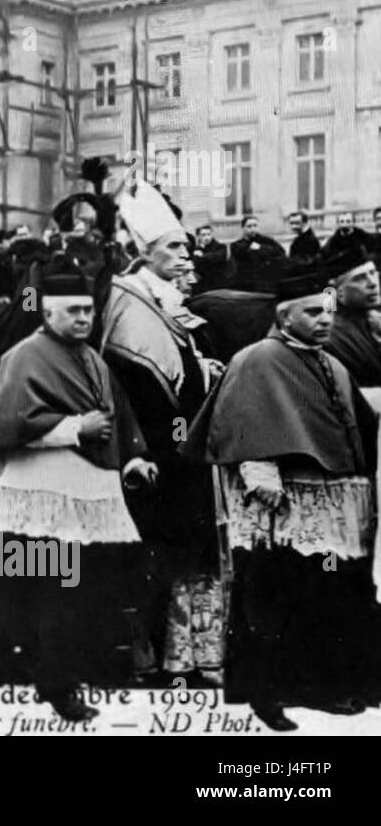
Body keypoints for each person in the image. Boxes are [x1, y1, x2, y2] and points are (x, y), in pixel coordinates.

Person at [0, 257, 156, 720]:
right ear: (48, 313)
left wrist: (134, 457)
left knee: (77, 588)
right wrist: (73, 428)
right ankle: (54, 684)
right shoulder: (25, 355)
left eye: (88, 311)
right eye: (73, 311)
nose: (84, 319)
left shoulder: (92, 357)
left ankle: (64, 675)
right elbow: (6, 422)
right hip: (44, 486)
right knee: (53, 590)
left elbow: (118, 415)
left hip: (88, 484)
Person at [184, 260, 380, 731]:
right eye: (312, 312)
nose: (325, 319)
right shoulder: (256, 359)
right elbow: (237, 421)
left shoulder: (331, 362)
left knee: (326, 593)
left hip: (331, 502)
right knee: (271, 598)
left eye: (328, 311)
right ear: (284, 315)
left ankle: (326, 685)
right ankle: (265, 695)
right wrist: (258, 467)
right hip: (281, 506)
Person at [102, 184, 226, 684]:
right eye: (174, 246)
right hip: (154, 447)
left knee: (184, 548)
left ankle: (184, 655)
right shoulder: (129, 300)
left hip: (182, 444)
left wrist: (203, 370)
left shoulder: (166, 298)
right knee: (158, 550)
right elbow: (137, 377)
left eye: (186, 246)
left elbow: (182, 362)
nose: (185, 254)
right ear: (145, 252)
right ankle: (150, 655)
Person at [324, 244, 381, 387]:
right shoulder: (334, 333)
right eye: (360, 278)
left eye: (373, 273)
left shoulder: (371, 315)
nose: (373, 283)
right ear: (339, 291)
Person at [229, 215, 285, 291]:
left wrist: (260, 248)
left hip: (265, 280)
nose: (253, 229)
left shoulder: (267, 241)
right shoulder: (236, 245)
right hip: (246, 281)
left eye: (255, 226)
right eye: (249, 226)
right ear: (243, 228)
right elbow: (240, 256)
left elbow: (280, 252)